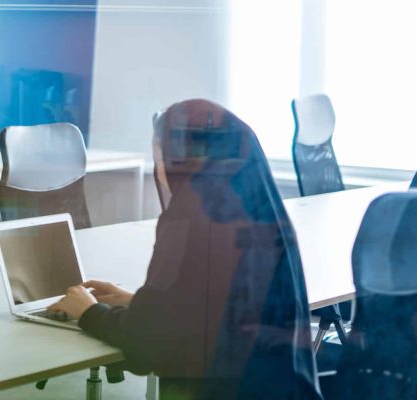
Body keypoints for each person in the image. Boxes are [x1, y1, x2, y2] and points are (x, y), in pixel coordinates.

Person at [47, 99, 321, 398]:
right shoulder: (262, 211)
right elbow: (217, 306)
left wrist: (89, 311)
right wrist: (135, 302)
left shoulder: (189, 216)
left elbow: (146, 345)